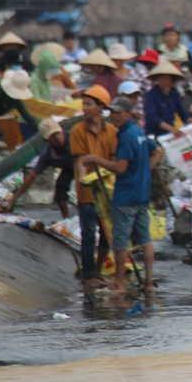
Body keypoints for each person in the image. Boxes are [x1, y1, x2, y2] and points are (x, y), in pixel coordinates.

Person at [79, 97, 162, 295]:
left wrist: (95, 159)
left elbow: (121, 168)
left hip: (126, 196)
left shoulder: (126, 135)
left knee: (120, 241)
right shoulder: (138, 132)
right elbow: (157, 151)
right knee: (145, 240)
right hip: (142, 194)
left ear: (129, 113)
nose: (113, 116)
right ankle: (148, 282)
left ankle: (119, 284)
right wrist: (144, 172)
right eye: (112, 112)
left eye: (117, 113)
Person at [70, 86, 117, 288]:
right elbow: (80, 160)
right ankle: (89, 275)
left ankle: (97, 271)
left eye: (89, 104)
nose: (85, 108)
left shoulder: (113, 132)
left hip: (107, 191)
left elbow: (115, 160)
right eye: (84, 104)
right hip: (87, 191)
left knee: (107, 235)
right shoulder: (77, 131)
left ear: (100, 107)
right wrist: (82, 178)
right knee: (88, 234)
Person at [7, 118, 74, 218]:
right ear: (47, 140)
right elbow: (33, 175)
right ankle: (66, 218)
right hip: (69, 168)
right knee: (60, 190)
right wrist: (15, 198)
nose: (58, 138)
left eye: (58, 134)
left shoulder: (74, 138)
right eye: (53, 137)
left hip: (86, 164)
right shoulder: (48, 154)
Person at [143, 60, 190, 139]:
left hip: (169, 134)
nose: (164, 81)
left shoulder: (174, 93)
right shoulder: (151, 95)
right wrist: (172, 129)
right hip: (154, 134)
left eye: (167, 78)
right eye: (162, 78)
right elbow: (153, 118)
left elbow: (183, 114)